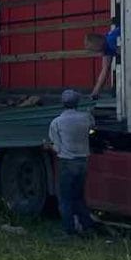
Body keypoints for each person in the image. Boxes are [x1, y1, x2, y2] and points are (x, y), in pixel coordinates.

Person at [43, 89, 97, 236]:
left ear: (62, 103)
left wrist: (48, 146)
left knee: (65, 198)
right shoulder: (85, 118)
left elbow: (57, 148)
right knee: (78, 196)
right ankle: (87, 225)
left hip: (67, 163)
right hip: (83, 162)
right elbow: (92, 126)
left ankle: (69, 230)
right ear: (77, 103)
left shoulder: (57, 122)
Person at [86, 20, 121, 98]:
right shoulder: (106, 44)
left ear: (96, 45)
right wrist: (95, 91)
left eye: (93, 50)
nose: (95, 53)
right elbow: (105, 69)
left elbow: (127, 54)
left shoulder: (111, 42)